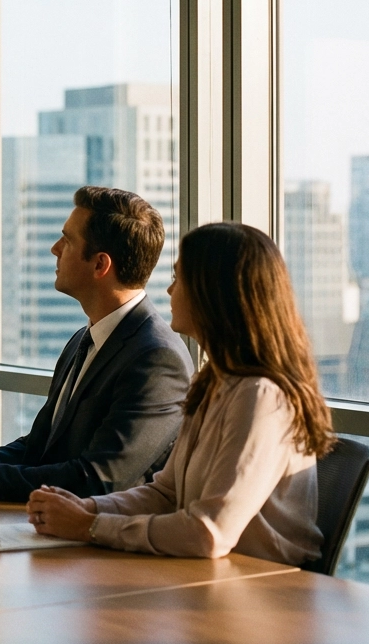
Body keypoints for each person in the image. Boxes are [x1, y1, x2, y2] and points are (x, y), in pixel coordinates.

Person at [27, 223, 334, 565]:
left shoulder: (260, 396)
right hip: (208, 576)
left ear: (213, 292)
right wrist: (86, 507)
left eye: (180, 277)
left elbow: (208, 533)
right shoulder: (214, 382)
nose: (170, 290)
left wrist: (91, 526)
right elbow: (166, 493)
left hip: (265, 588)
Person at [0, 186, 193, 501]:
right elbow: (38, 448)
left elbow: (99, 479)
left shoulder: (158, 358)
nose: (55, 249)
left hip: (102, 542)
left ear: (100, 265)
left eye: (67, 241)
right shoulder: (83, 339)